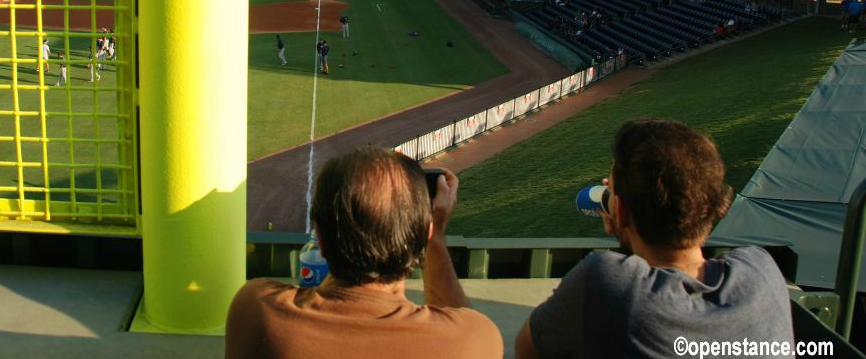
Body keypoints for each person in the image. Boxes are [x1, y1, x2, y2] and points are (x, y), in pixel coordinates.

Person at [515, 120, 793, 359]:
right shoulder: (760, 270)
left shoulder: (604, 280)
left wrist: (621, 228)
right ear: (715, 205)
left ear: (620, 212)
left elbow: (526, 350)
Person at [225, 146, 502, 358]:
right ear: (424, 234)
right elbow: (460, 320)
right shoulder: (475, 338)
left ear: (318, 234)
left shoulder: (254, 309)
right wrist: (436, 239)